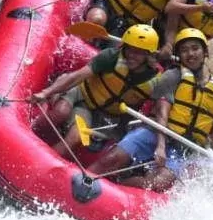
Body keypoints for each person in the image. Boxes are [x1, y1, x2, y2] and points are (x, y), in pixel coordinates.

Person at [88, 28, 213, 192]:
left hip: (182, 149)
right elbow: (162, 113)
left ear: (205, 52)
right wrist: (160, 146)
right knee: (113, 158)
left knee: (158, 183)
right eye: (184, 50)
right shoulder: (173, 76)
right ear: (179, 56)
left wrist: (212, 155)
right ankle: (85, 179)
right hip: (154, 133)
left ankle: (116, 187)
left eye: (195, 48)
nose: (190, 54)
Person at [30, 24, 162, 159]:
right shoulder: (111, 57)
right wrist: (46, 92)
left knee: (76, 138)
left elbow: (153, 111)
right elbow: (77, 76)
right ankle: (30, 133)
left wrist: (121, 131)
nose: (132, 56)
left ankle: (42, 160)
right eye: (130, 50)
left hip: (104, 116)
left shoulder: (156, 80)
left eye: (139, 52)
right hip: (82, 96)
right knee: (60, 112)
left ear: (148, 55)